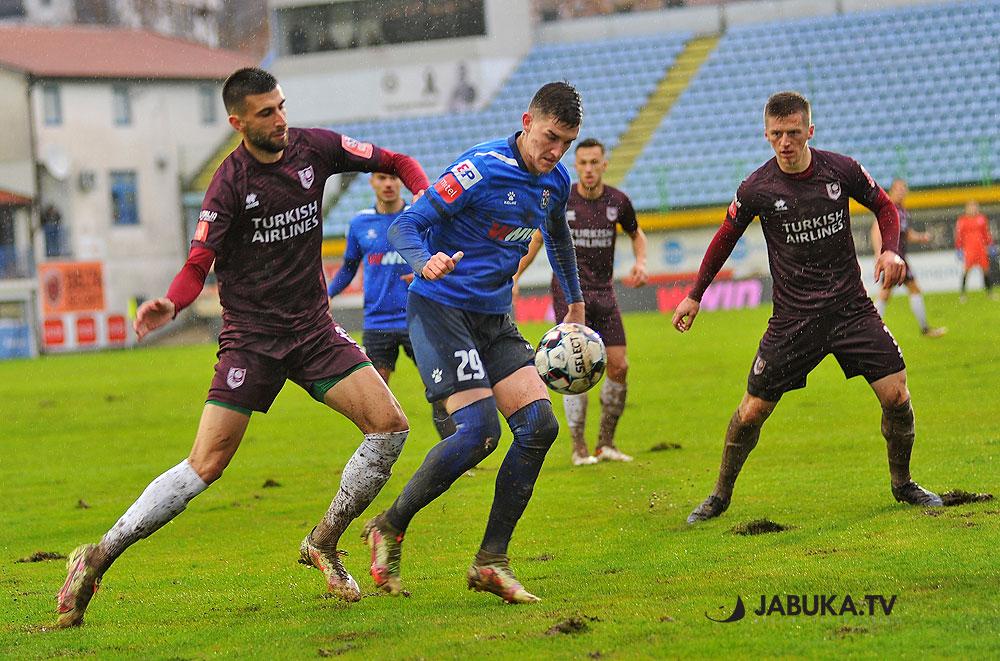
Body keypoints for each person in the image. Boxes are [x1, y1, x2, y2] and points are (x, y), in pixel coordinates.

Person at [55, 67, 431, 627]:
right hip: (251, 342)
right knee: (206, 465)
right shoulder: (228, 185)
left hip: (313, 332)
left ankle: (324, 543)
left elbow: (396, 163)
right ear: (238, 122)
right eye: (266, 113)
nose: (280, 119)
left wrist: (428, 206)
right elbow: (197, 263)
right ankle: (97, 556)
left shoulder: (315, 148)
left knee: (391, 426)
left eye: (281, 106)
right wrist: (172, 304)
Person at [672, 91, 943, 525]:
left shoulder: (841, 169)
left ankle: (903, 483)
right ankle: (719, 496)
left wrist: (890, 251)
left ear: (809, 131)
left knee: (897, 394)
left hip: (851, 310)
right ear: (766, 134)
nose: (785, 142)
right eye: (777, 134)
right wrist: (695, 294)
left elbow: (884, 206)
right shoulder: (756, 188)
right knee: (752, 410)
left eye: (793, 133)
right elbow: (726, 237)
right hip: (793, 321)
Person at [362, 82, 585, 604]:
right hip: (441, 310)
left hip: (492, 319)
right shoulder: (479, 169)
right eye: (550, 137)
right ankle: (389, 528)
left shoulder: (556, 182)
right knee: (479, 433)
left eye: (566, 144)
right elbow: (407, 227)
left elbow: (557, 236)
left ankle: (491, 562)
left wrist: (573, 301)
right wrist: (426, 261)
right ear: (527, 121)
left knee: (538, 427)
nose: (554, 152)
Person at [514, 137, 647, 466]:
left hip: (605, 293)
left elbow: (636, 233)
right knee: (577, 366)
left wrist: (640, 262)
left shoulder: (618, 201)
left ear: (604, 164)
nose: (588, 169)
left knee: (620, 365)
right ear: (576, 166)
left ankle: (606, 444)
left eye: (594, 162)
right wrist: (514, 277)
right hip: (570, 294)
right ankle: (579, 448)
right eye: (583, 163)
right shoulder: (563, 198)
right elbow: (535, 240)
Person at [327, 172, 456, 439]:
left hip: (417, 318)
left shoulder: (419, 219)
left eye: (393, 179)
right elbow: (349, 267)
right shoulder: (360, 223)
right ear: (372, 182)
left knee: (438, 387)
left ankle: (455, 453)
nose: (388, 184)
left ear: (401, 183)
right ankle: (377, 451)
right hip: (377, 323)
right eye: (382, 178)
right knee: (375, 397)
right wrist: (327, 295)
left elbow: (436, 256)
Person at [869, 179, 946, 337]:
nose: (901, 191)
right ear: (891, 191)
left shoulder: (903, 211)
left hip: (899, 257)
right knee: (893, 292)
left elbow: (907, 234)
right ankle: (870, 331)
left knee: (892, 292)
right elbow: (876, 230)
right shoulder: (888, 206)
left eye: (904, 189)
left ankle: (870, 331)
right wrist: (879, 253)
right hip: (892, 257)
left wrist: (922, 237)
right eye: (898, 189)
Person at [955, 200, 996, 302]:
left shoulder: (982, 218)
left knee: (986, 271)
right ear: (966, 208)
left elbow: (986, 233)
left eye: (975, 207)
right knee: (966, 271)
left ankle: (989, 293)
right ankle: (963, 294)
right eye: (971, 207)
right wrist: (959, 248)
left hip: (981, 249)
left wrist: (990, 244)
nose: (973, 209)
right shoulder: (962, 220)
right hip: (969, 250)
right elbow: (959, 236)